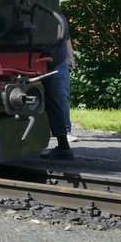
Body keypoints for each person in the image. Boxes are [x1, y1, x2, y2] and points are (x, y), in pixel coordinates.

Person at [40, 17, 75, 160]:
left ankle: (65, 140)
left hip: (51, 60)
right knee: (55, 99)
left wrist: (70, 57)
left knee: (57, 98)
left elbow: (66, 38)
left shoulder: (57, 16)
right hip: (51, 59)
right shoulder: (55, 13)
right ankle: (63, 144)